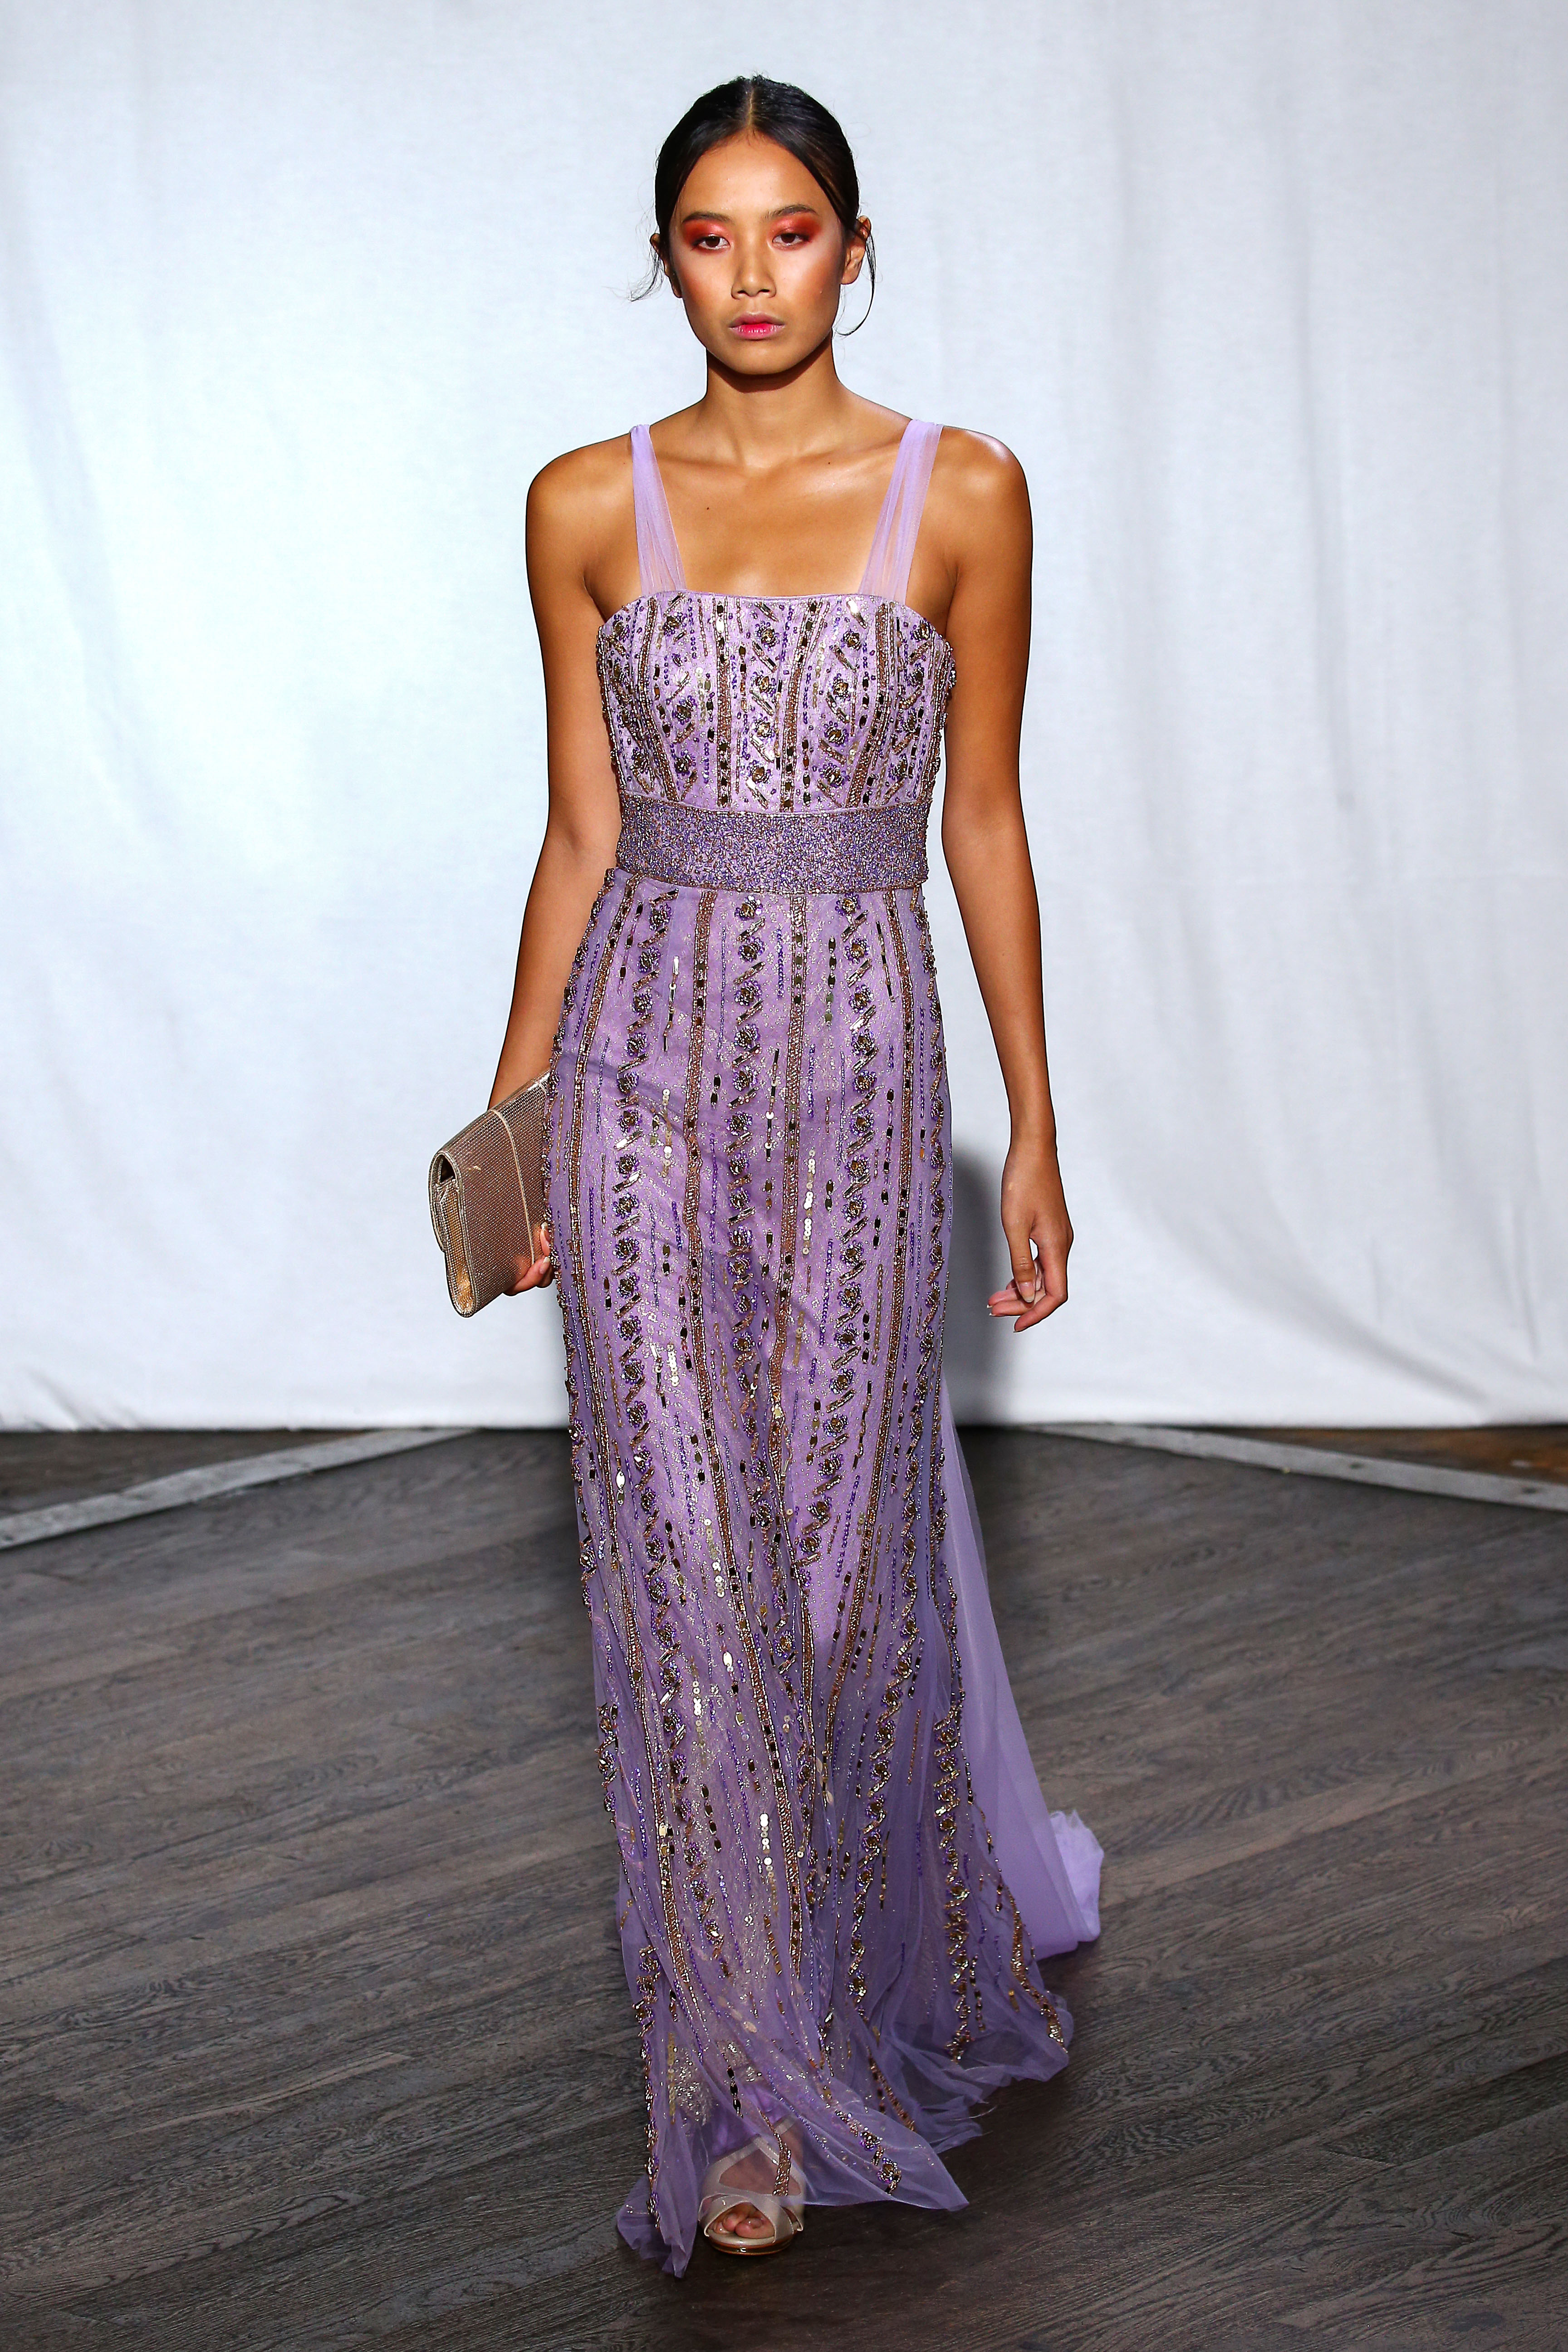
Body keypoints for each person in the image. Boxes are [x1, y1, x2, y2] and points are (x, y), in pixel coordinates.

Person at [488, 75, 1102, 2273]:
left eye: (792, 229)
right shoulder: (584, 502)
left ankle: (856, 1985)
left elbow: (986, 821)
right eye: (709, 234)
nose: (752, 274)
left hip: (861, 1076)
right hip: (636, 1078)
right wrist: (517, 1117)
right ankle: (747, 2091)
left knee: (838, 1589)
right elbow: (580, 836)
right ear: (664, 258)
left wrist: (1037, 1126)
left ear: (853, 244)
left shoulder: (964, 491)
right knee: (686, 1583)